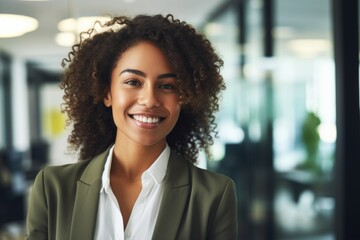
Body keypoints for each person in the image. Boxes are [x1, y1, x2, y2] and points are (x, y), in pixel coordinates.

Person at [26, 14, 238, 240]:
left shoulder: (214, 195)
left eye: (167, 86)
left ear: (185, 98)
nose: (149, 100)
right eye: (133, 82)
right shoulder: (53, 188)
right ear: (107, 93)